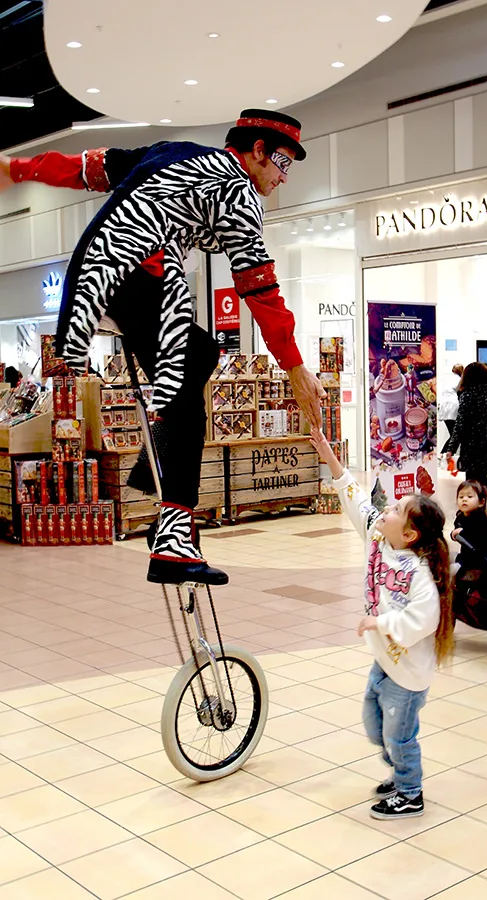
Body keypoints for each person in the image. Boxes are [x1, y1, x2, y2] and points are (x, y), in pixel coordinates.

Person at [0, 110, 324, 585]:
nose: (281, 177)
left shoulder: (173, 152)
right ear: (256, 150)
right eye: (281, 163)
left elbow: (86, 168)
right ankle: (174, 540)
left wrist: (16, 170)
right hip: (137, 275)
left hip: (94, 272)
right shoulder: (238, 189)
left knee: (202, 353)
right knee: (188, 407)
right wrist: (294, 368)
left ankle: (152, 480)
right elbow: (259, 286)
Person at [310, 427, 454, 820]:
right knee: (375, 727)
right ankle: (400, 769)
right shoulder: (378, 537)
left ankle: (410, 791)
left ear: (409, 534)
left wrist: (381, 623)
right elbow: (354, 497)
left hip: (408, 674)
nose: (385, 510)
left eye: (394, 510)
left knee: (398, 734)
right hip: (385, 663)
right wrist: (329, 456)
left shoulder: (420, 573)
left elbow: (425, 618)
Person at [446, 362, 487, 522]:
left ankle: (469, 513)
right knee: (480, 476)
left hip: (472, 444)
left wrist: (451, 448)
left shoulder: (468, 395)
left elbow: (460, 425)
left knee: (471, 479)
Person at [451, 480, 487, 571]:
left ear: (481, 502)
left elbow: (474, 537)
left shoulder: (481, 520)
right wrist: (453, 534)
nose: (464, 499)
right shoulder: (461, 516)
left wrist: (461, 533)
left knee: (449, 571)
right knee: (442, 559)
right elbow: (456, 530)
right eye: (461, 497)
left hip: (479, 562)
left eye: (469, 496)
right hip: (466, 556)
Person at [438, 363, 463, 455]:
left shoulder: (446, 379)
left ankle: (444, 454)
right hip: (453, 407)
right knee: (455, 435)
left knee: (454, 434)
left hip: (444, 407)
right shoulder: (460, 380)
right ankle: (444, 454)